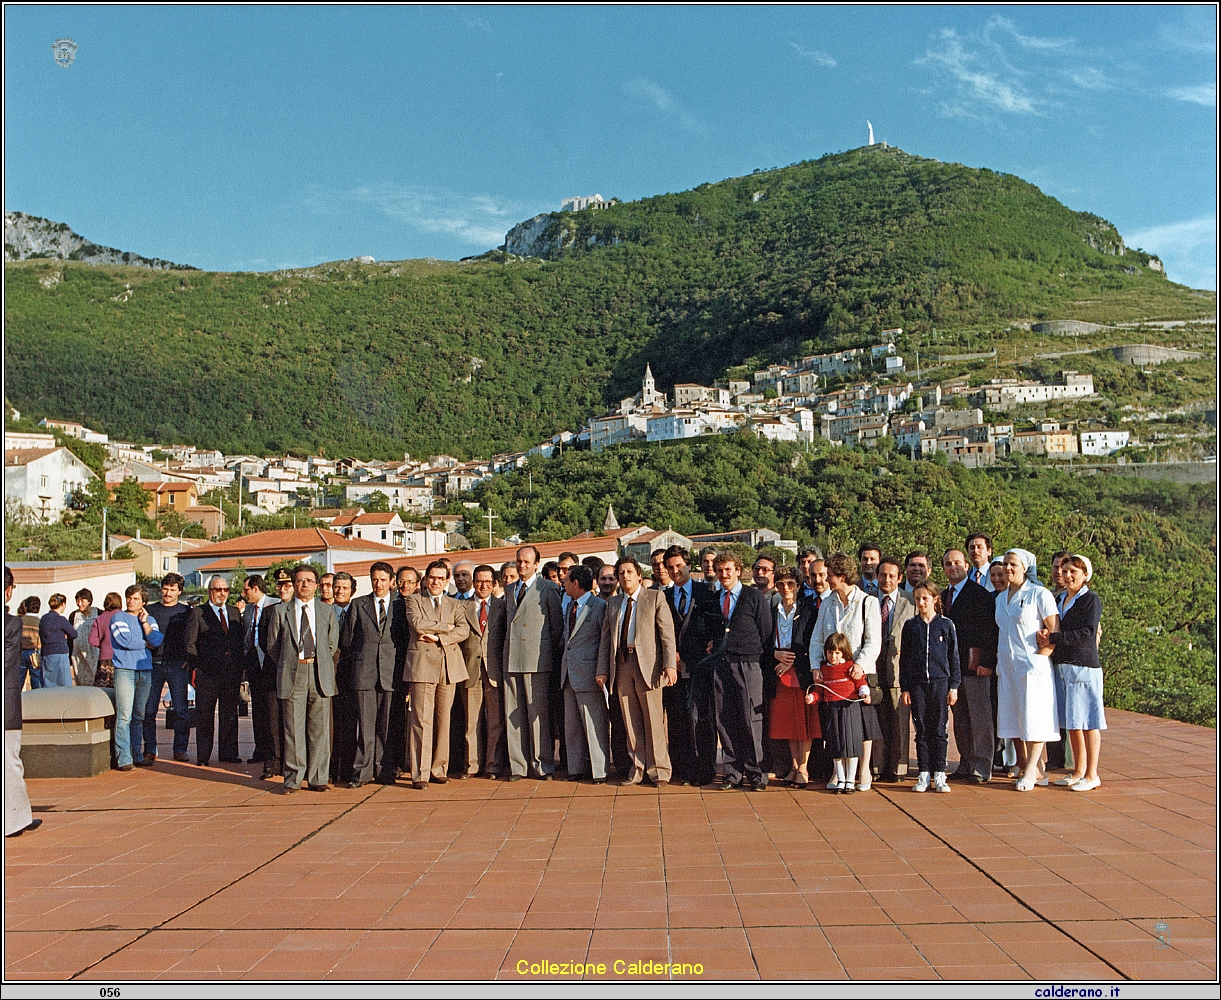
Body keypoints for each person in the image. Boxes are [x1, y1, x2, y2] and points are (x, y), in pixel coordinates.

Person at [598, 557, 676, 786]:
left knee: (653, 720)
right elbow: (605, 639)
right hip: (621, 664)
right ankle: (638, 768)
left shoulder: (654, 597)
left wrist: (669, 664)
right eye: (621, 573)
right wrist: (602, 669)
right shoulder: (613, 604)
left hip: (648, 666)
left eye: (629, 572)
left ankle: (659, 770)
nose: (625, 576)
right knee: (630, 721)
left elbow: (667, 634)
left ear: (639, 575)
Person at [809, 553, 882, 791]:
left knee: (863, 724)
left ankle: (863, 770)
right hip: (833, 677)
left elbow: (873, 640)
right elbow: (817, 639)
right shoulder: (828, 603)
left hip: (858, 675)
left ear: (841, 576)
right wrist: (815, 666)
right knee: (837, 725)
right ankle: (837, 771)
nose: (826, 579)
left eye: (829, 574)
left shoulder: (867, 602)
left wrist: (859, 664)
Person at [266, 564, 338, 792]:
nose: (304, 584)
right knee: (293, 730)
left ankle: (318, 778)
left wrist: (319, 661)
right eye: (300, 580)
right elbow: (273, 646)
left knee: (319, 730)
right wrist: (289, 662)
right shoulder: (280, 611)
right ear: (294, 584)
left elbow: (331, 644)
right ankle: (293, 779)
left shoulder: (327, 611)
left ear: (316, 586)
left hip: (319, 673)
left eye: (309, 580)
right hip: (293, 673)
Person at [704, 552, 772, 792]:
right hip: (721, 665)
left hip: (748, 664)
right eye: (720, 570)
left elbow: (765, 632)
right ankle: (732, 773)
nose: (724, 574)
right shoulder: (713, 599)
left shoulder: (753, 597)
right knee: (725, 719)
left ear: (738, 571)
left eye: (728, 570)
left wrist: (750, 654)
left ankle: (756, 773)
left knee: (750, 718)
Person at [995, 549, 1060, 792]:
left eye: (1013, 564)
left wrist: (1040, 660)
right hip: (1008, 667)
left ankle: (1031, 768)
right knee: (1015, 719)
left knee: (1035, 718)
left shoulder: (1038, 594)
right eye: (1005, 564)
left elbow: (1054, 630)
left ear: (1025, 568)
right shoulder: (1001, 598)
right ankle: (1035, 769)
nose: (1007, 568)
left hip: (1032, 666)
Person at [1040, 555, 1105, 792]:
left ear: (1085, 575)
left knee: (1088, 723)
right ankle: (1078, 771)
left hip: (1083, 668)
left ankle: (1092, 773)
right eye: (1065, 571)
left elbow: (1087, 633)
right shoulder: (1060, 600)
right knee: (1073, 724)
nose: (1067, 576)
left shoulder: (1090, 600)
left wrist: (1054, 638)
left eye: (1073, 572)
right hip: (1064, 666)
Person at [403, 560, 470, 788]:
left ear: (447, 580)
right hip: (422, 666)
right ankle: (420, 773)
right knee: (422, 720)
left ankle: (438, 768)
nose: (436, 581)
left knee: (444, 720)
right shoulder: (413, 600)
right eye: (432, 577)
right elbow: (417, 624)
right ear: (426, 578)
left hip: (449, 667)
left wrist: (440, 637)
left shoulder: (455, 604)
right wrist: (446, 627)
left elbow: (463, 630)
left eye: (441, 578)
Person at [500, 546, 564, 780]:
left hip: (537, 659)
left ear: (537, 564)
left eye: (527, 562)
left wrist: (545, 651)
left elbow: (557, 626)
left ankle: (542, 764)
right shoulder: (508, 590)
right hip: (512, 658)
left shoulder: (548, 588)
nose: (522, 565)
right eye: (519, 561)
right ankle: (519, 765)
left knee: (538, 716)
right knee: (513, 716)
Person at [339, 561, 401, 787]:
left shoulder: (401, 604)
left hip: (390, 673)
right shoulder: (358, 604)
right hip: (364, 672)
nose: (378, 584)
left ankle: (384, 771)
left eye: (383, 580)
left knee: (386, 727)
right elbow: (346, 640)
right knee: (365, 727)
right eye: (375, 579)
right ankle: (362, 773)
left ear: (391, 581)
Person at [941, 550, 1000, 785]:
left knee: (980, 718)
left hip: (975, 667)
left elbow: (990, 631)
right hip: (952, 669)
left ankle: (983, 765)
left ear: (966, 565)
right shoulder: (944, 596)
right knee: (961, 719)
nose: (953, 567)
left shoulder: (980, 594)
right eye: (948, 564)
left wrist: (987, 662)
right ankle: (965, 763)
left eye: (957, 563)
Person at [662, 545, 716, 786]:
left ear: (688, 565)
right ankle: (683, 769)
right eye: (670, 567)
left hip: (700, 665)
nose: (675, 571)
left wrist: (714, 644)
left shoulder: (706, 592)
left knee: (700, 718)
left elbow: (716, 624)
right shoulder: (662, 597)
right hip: (673, 667)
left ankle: (705, 769)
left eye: (679, 566)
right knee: (677, 718)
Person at [899, 582, 960, 793]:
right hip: (917, 684)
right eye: (917, 599)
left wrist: (954, 686)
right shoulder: (911, 626)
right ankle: (924, 772)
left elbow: (954, 657)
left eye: (925, 598)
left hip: (940, 683)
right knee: (921, 728)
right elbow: (904, 659)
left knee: (940, 729)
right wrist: (905, 687)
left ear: (935, 599)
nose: (921, 603)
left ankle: (940, 773)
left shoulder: (946, 625)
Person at [766, 566, 819, 787]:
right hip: (779, 673)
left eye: (790, 584)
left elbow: (810, 642)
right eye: (781, 584)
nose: (785, 588)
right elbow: (765, 641)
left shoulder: (808, 610)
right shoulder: (771, 611)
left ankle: (804, 769)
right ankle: (794, 766)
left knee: (803, 723)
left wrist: (790, 662)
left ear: (798, 586)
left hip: (801, 673)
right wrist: (776, 656)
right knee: (788, 723)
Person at [184, 575, 245, 766]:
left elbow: (239, 643)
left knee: (229, 714)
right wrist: (199, 667)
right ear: (210, 591)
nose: (222, 593)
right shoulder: (198, 613)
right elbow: (190, 644)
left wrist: (239, 670)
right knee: (205, 715)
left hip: (230, 673)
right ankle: (203, 755)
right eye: (218, 589)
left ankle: (228, 752)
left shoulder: (234, 613)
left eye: (226, 590)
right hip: (207, 674)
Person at [559, 565, 609, 783]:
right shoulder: (570, 605)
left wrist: (601, 670)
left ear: (576, 583)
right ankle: (576, 768)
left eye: (567, 580)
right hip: (569, 673)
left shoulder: (599, 606)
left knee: (594, 724)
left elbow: (604, 642)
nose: (564, 584)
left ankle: (600, 771)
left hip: (590, 674)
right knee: (572, 726)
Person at [110, 584, 164, 771]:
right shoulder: (118, 617)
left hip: (145, 670)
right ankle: (123, 757)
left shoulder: (149, 619)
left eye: (135, 598)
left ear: (143, 602)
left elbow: (156, 640)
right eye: (129, 598)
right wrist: (146, 644)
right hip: (125, 670)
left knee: (139, 715)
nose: (131, 601)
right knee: (124, 715)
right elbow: (124, 640)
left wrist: (145, 624)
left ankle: (136, 753)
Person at [455, 565, 502, 778]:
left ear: (494, 584)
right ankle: (471, 765)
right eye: (479, 581)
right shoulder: (460, 606)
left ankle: (492, 765)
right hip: (470, 670)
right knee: (470, 722)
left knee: (494, 722)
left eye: (487, 582)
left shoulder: (503, 606)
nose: (483, 586)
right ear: (473, 583)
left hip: (494, 671)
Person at [6, 567, 41, 838]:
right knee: (9, 762)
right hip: (6, 704)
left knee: (9, 762)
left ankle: (17, 818)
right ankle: (15, 820)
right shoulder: (11, 625)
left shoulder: (12, 624)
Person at [143, 573, 192, 764]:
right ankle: (149, 749)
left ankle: (180, 749)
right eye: (165, 588)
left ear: (179, 591)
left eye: (172, 589)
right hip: (153, 664)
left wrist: (189, 659)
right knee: (149, 710)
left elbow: (192, 636)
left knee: (181, 710)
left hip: (177, 665)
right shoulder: (149, 610)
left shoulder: (187, 611)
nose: (168, 593)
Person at [874, 557, 915, 783]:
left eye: (891, 576)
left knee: (899, 720)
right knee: (877, 719)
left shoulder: (911, 601)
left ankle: (898, 768)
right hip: (874, 668)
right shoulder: (869, 601)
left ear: (900, 578)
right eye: (883, 575)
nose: (887, 579)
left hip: (899, 669)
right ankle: (878, 766)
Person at [818, 632, 870, 793]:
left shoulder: (849, 666)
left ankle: (850, 780)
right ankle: (840, 779)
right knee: (836, 746)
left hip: (849, 707)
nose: (833, 656)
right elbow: (820, 691)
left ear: (843, 652)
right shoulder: (824, 669)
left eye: (837, 653)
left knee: (851, 745)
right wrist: (812, 697)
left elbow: (860, 682)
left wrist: (864, 693)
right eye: (830, 652)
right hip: (832, 709)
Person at [242, 574, 282, 779]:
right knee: (257, 709)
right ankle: (260, 748)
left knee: (272, 711)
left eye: (246, 589)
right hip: (254, 664)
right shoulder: (248, 609)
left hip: (270, 662)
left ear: (256, 588)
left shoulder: (275, 605)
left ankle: (274, 753)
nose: (243, 594)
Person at [38, 594, 77, 687]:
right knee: (64, 686)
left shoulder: (44, 618)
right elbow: (74, 634)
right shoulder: (61, 619)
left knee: (47, 685)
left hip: (46, 653)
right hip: (60, 653)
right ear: (63, 604)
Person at [88, 593, 122, 688]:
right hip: (120, 657)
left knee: (103, 688)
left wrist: (102, 644)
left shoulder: (100, 618)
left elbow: (92, 639)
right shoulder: (123, 616)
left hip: (104, 657)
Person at [68, 589, 99, 687]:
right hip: (78, 654)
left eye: (82, 601)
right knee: (80, 681)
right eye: (77, 601)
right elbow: (70, 635)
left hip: (94, 653)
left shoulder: (98, 613)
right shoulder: (74, 615)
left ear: (89, 601)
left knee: (95, 680)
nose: (79, 603)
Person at [19, 596, 42, 690]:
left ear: (26, 607)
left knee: (18, 681)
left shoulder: (19, 621)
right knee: (36, 681)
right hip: (35, 652)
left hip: (20, 652)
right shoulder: (40, 622)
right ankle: (36, 702)